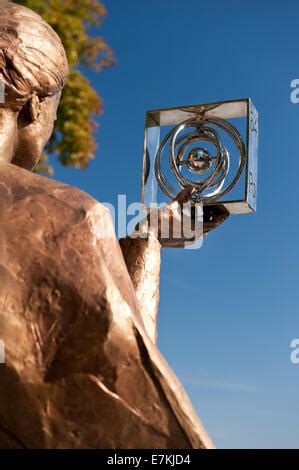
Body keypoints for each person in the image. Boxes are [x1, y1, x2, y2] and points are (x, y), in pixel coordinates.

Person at [0, 2, 228, 448]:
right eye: (55, 113)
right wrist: (150, 242)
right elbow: (132, 424)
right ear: (33, 106)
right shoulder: (62, 214)